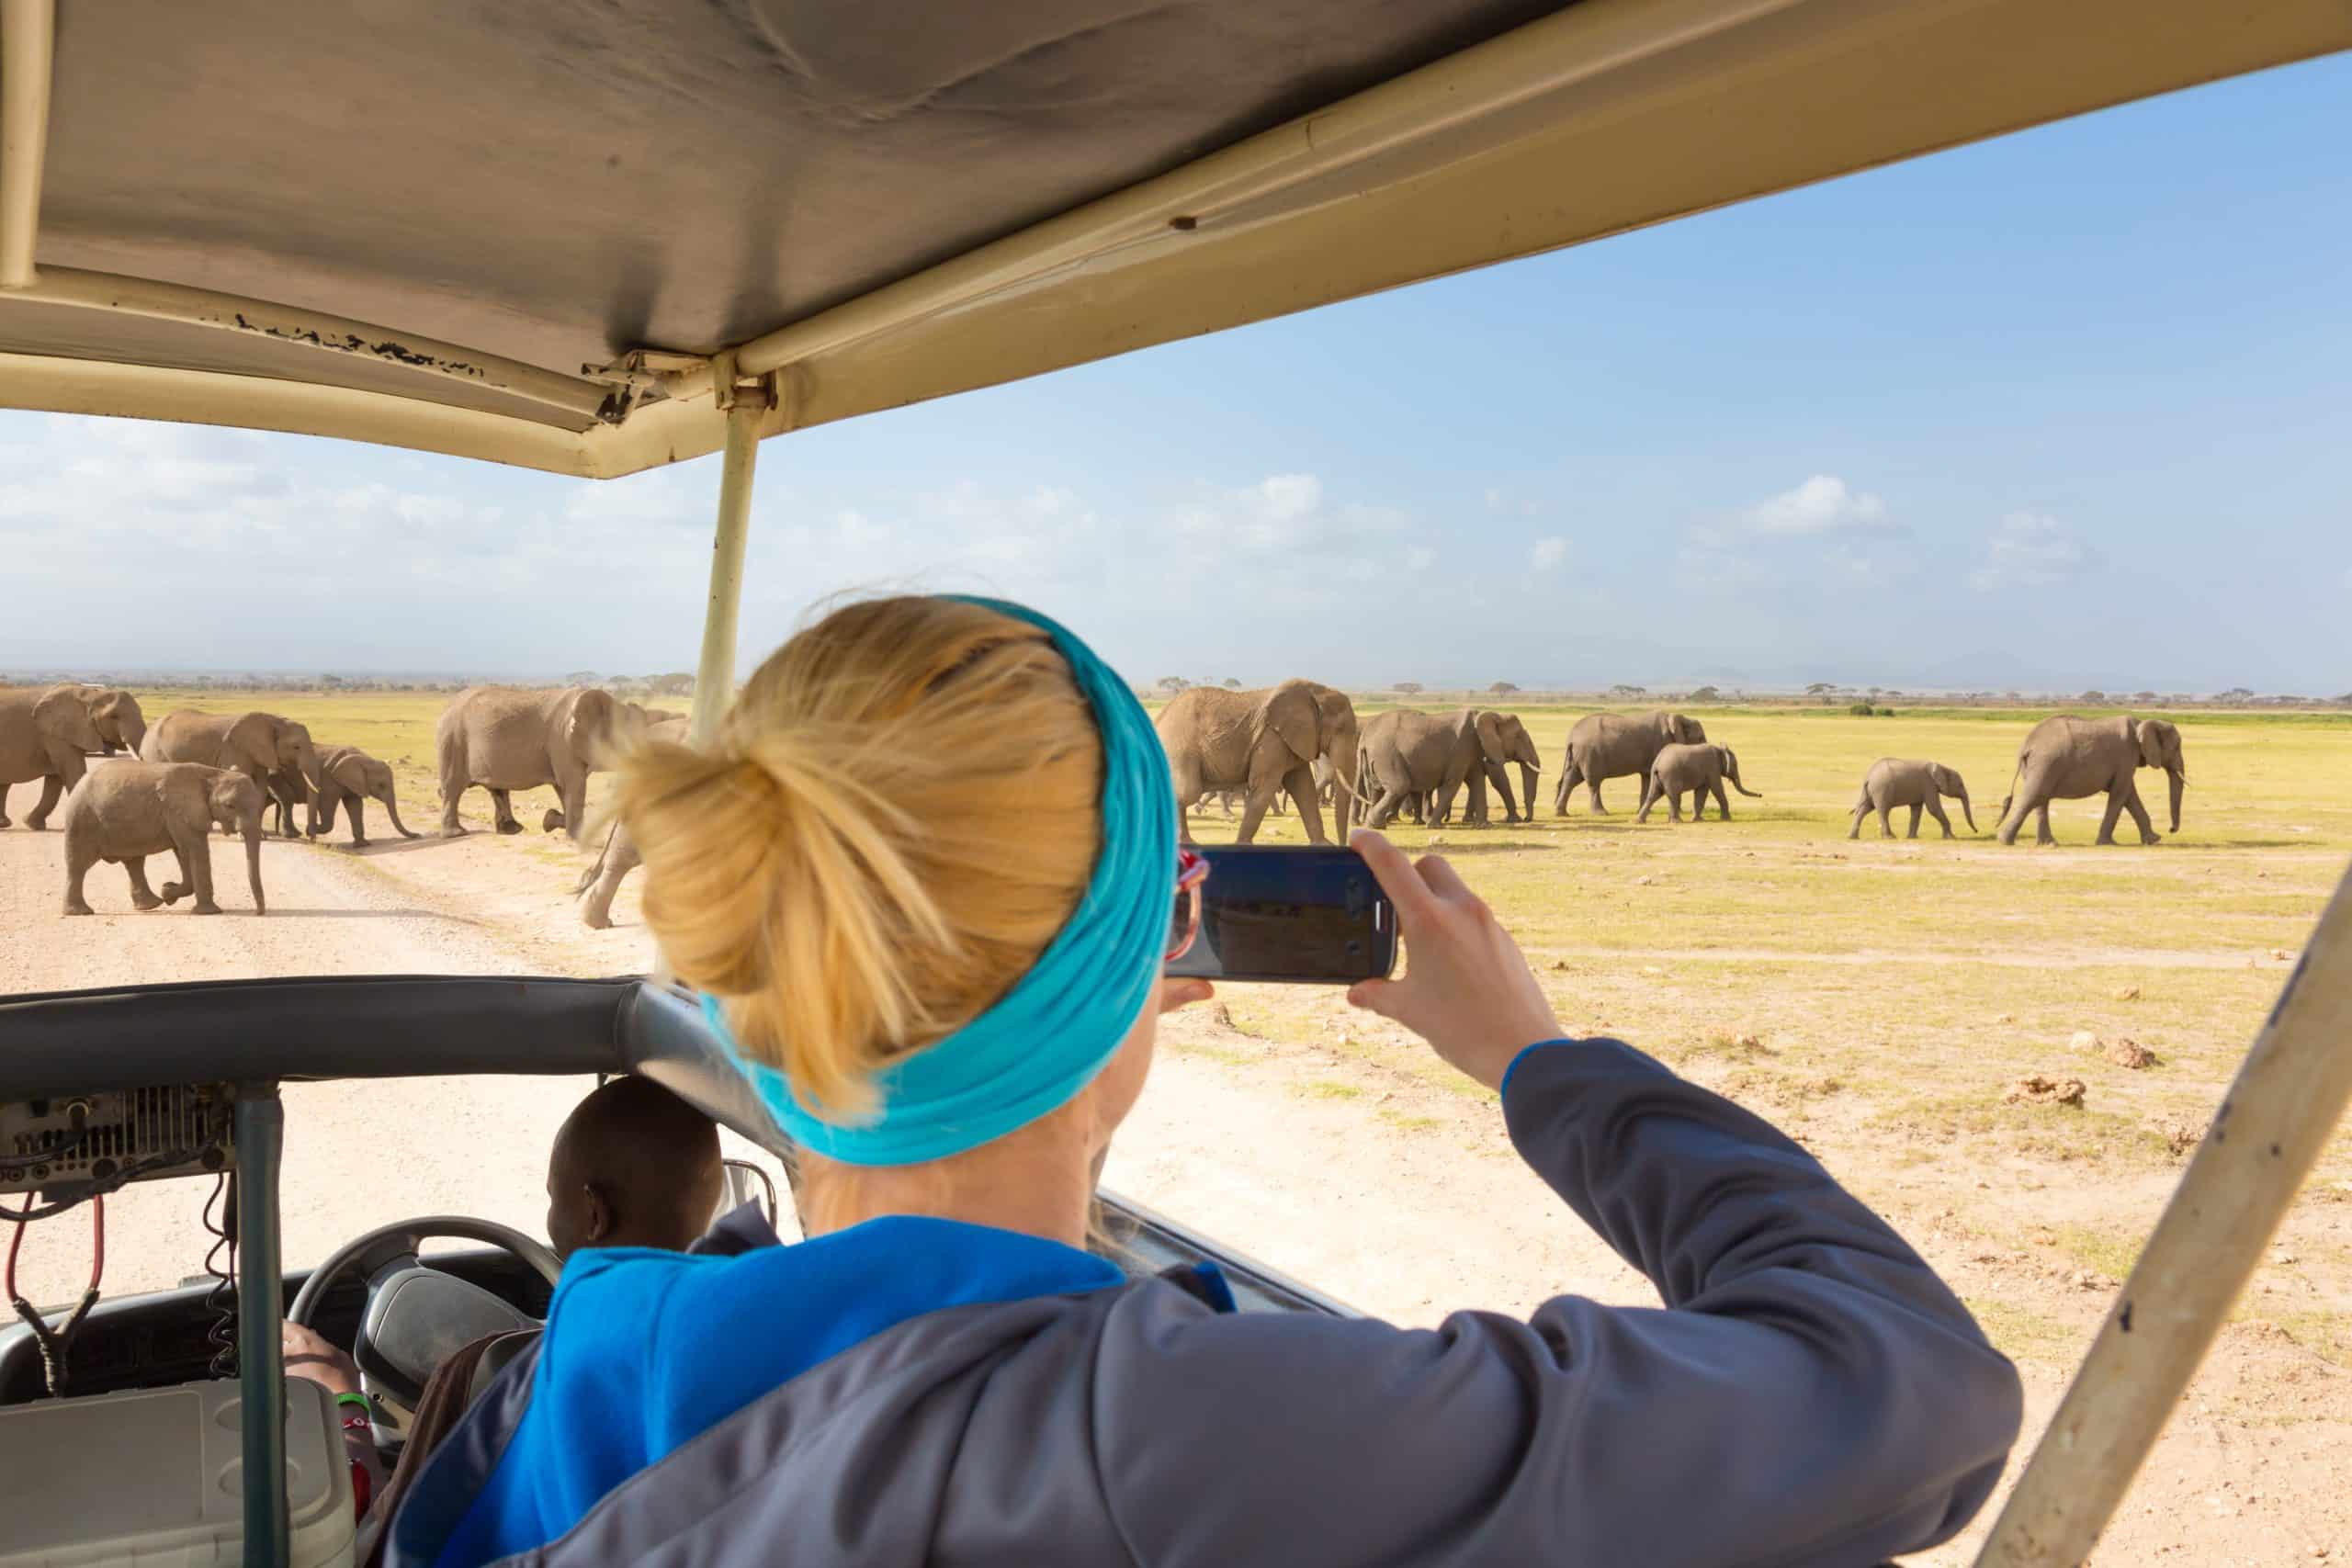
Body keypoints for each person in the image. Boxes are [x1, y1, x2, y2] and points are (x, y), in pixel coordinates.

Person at [384, 595, 2023, 1568]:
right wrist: (1541, 1061)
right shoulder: (1181, 1431)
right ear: (1151, 958)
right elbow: (1920, 1388)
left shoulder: (555, 1372)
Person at [284, 1076, 728, 1533]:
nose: (551, 1216)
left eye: (556, 1197)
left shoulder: (494, 1374)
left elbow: (387, 1540)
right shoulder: (739, 1359)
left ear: (594, 1214)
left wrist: (343, 1400)